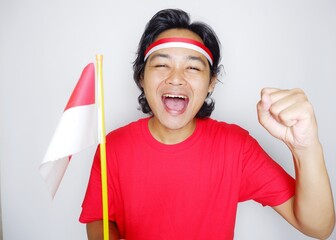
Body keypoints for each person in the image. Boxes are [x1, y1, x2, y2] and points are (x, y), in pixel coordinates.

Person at [79, 8, 335, 240]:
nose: (176, 78)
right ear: (141, 77)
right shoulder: (112, 146)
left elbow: (318, 226)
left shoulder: (235, 147)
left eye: (192, 67)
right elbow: (99, 217)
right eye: (161, 64)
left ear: (211, 82)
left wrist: (306, 147)